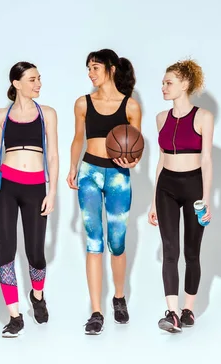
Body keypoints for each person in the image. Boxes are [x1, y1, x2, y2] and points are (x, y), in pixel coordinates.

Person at [0, 61, 59, 338]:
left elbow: (53, 156)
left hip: (35, 188)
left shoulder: (48, 114)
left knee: (36, 253)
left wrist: (52, 191)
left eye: (39, 78)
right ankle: (15, 316)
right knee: (6, 250)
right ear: (16, 83)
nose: (38, 83)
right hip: (5, 187)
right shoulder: (0, 116)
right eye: (32, 79)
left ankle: (38, 296)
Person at [67, 49, 142, 335]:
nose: (90, 73)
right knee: (93, 242)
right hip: (89, 173)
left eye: (95, 67)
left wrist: (132, 161)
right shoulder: (83, 103)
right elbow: (77, 138)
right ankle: (96, 311)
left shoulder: (131, 106)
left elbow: (138, 149)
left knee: (117, 241)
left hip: (118, 177)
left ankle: (119, 298)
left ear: (110, 68)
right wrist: (73, 167)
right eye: (88, 68)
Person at [148, 59, 214, 333]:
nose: (163, 87)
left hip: (193, 186)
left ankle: (188, 309)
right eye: (163, 82)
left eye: (168, 82)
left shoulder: (203, 117)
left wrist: (206, 199)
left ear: (185, 84)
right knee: (170, 250)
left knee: (192, 252)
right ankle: (172, 313)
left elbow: (207, 160)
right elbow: (161, 159)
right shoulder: (161, 118)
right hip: (167, 186)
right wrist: (153, 200)